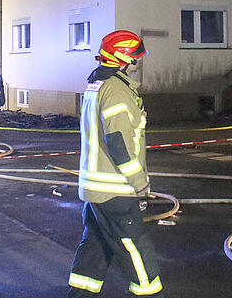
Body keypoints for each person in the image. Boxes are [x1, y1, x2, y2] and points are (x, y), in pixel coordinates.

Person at [68, 30, 163, 297]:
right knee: (137, 252)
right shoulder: (117, 90)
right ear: (122, 57)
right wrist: (140, 184)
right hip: (115, 190)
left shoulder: (97, 83)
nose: (137, 62)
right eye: (134, 57)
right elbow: (119, 144)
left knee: (94, 248)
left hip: (96, 189)